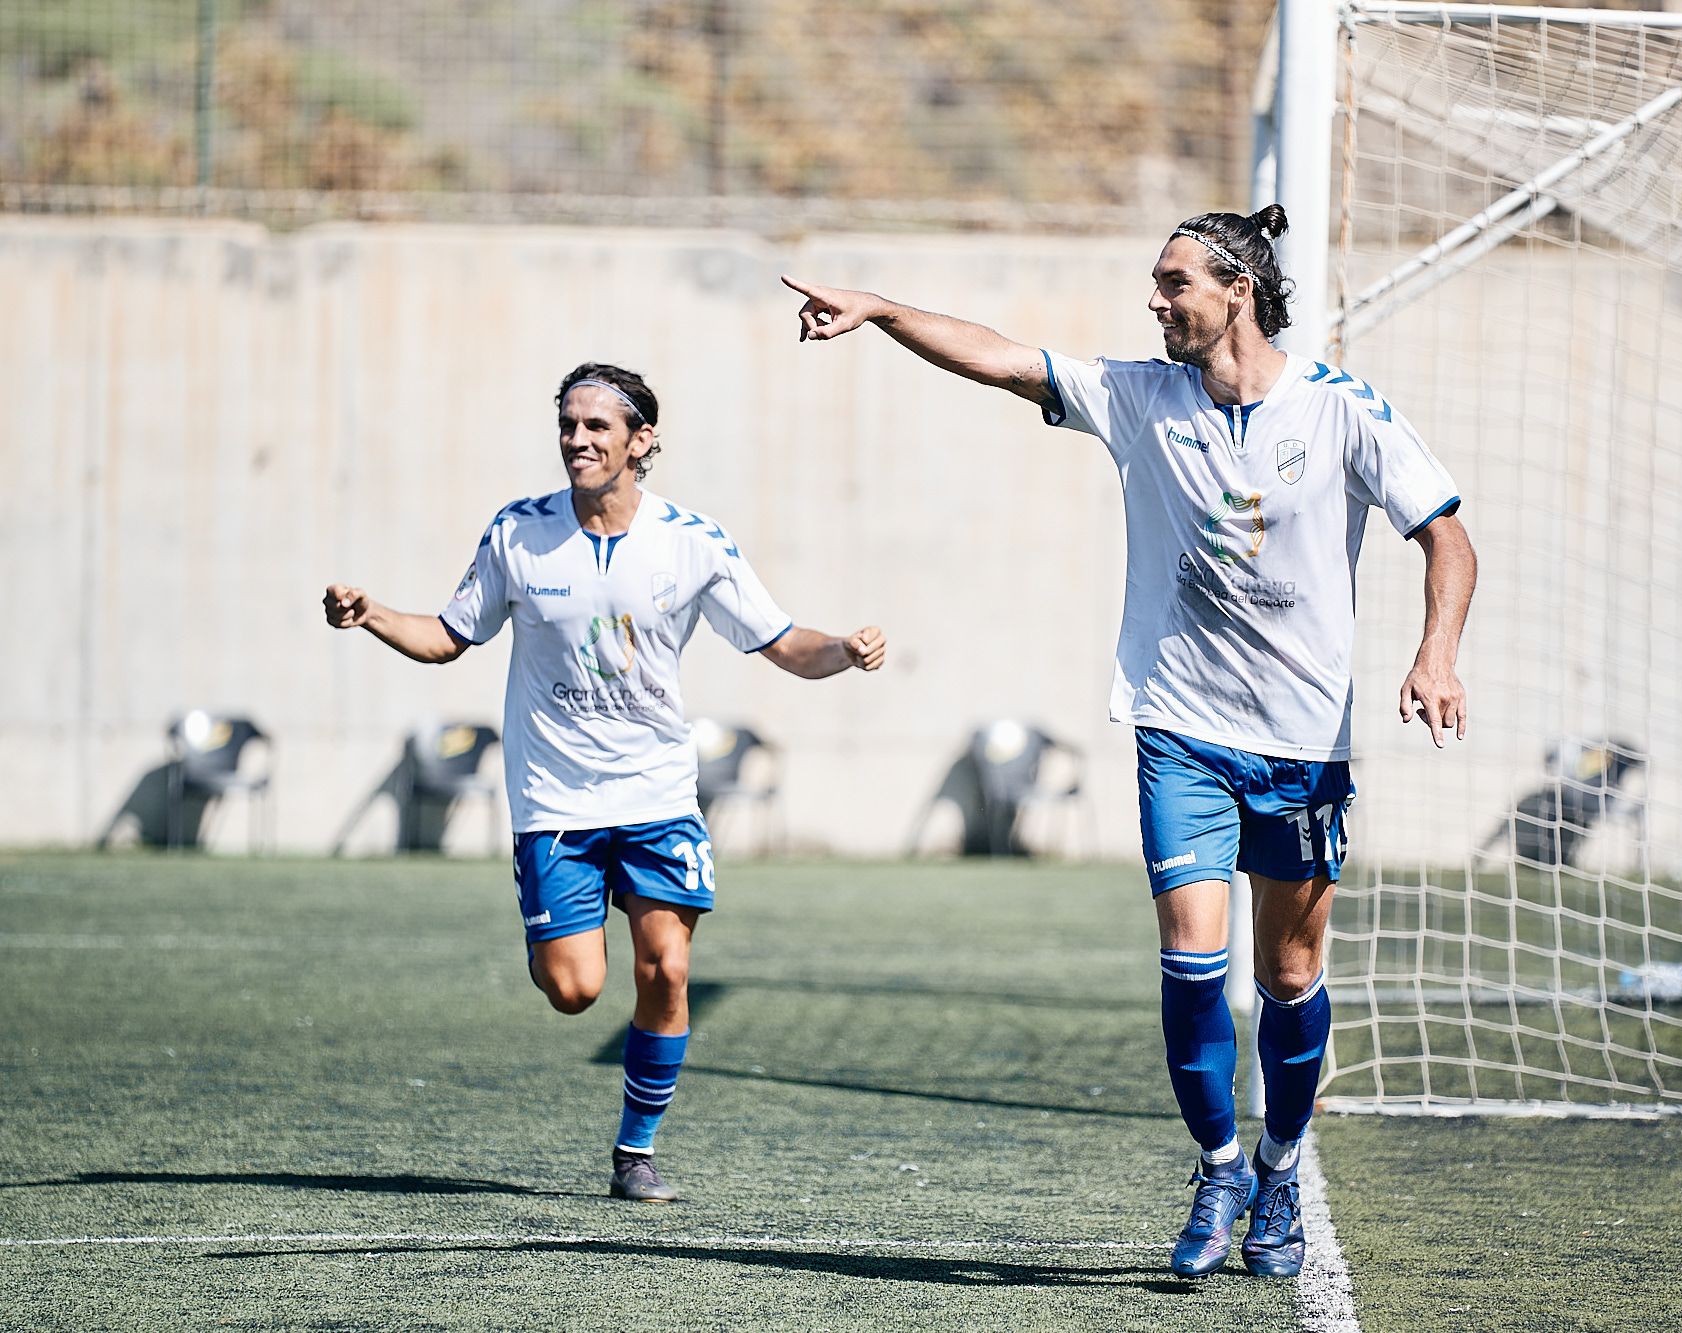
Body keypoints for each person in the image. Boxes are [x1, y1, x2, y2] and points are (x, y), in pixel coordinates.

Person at [783, 205, 1475, 1278]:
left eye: (1171, 283)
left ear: (1236, 287)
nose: (1153, 302)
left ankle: (1279, 1170)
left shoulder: (1340, 410)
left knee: (1288, 978)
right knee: (1192, 967)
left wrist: (1434, 653)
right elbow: (1002, 360)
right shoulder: (1137, 397)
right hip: (1179, 731)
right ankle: (1215, 1168)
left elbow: (1446, 536)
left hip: (1301, 746)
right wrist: (875, 309)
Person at [323, 362, 886, 1203]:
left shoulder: (693, 541)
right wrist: (371, 614)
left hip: (657, 795)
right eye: (568, 425)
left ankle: (637, 1150)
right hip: (555, 802)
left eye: (597, 427)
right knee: (575, 989)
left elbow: (779, 641)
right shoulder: (517, 533)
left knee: (665, 969)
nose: (578, 440)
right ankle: (555, 927)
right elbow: (449, 635)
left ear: (641, 441)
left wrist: (842, 648)